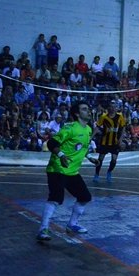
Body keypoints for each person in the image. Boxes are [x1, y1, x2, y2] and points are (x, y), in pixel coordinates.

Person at [36, 101, 98, 242]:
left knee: (85, 197)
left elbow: (80, 147)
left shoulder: (88, 129)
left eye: (88, 109)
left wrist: (90, 157)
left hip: (72, 171)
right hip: (57, 168)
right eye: (84, 109)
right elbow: (51, 143)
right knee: (56, 198)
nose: (88, 111)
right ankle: (43, 229)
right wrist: (62, 156)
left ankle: (72, 224)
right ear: (77, 113)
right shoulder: (70, 127)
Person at [93, 103, 126, 183]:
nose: (112, 109)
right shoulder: (104, 117)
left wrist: (120, 140)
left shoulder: (120, 116)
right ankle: (97, 174)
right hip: (104, 142)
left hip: (115, 142)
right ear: (108, 109)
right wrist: (91, 137)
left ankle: (109, 172)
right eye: (110, 107)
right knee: (100, 159)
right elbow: (97, 127)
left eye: (113, 107)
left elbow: (123, 128)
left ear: (115, 108)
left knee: (114, 160)